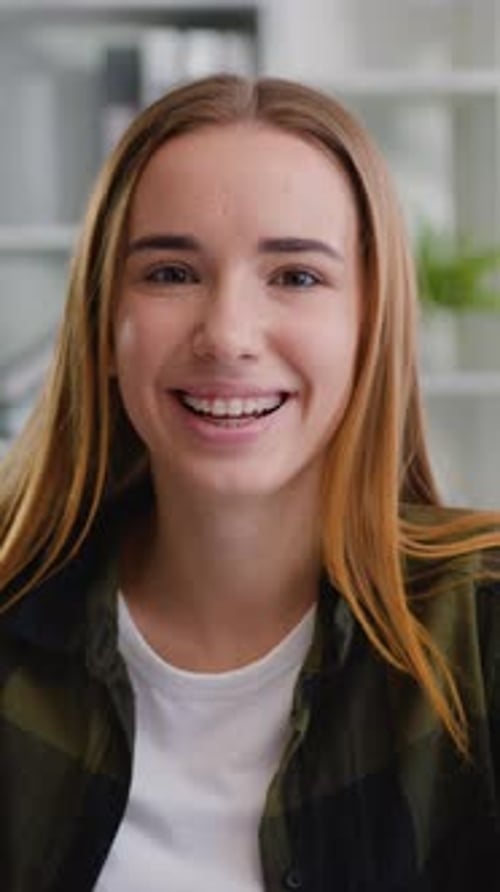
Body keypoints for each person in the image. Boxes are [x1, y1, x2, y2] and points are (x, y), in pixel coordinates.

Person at [0, 73, 499, 892]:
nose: (227, 334)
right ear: (101, 321)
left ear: (370, 326)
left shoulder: (482, 631)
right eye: (169, 273)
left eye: (296, 277)